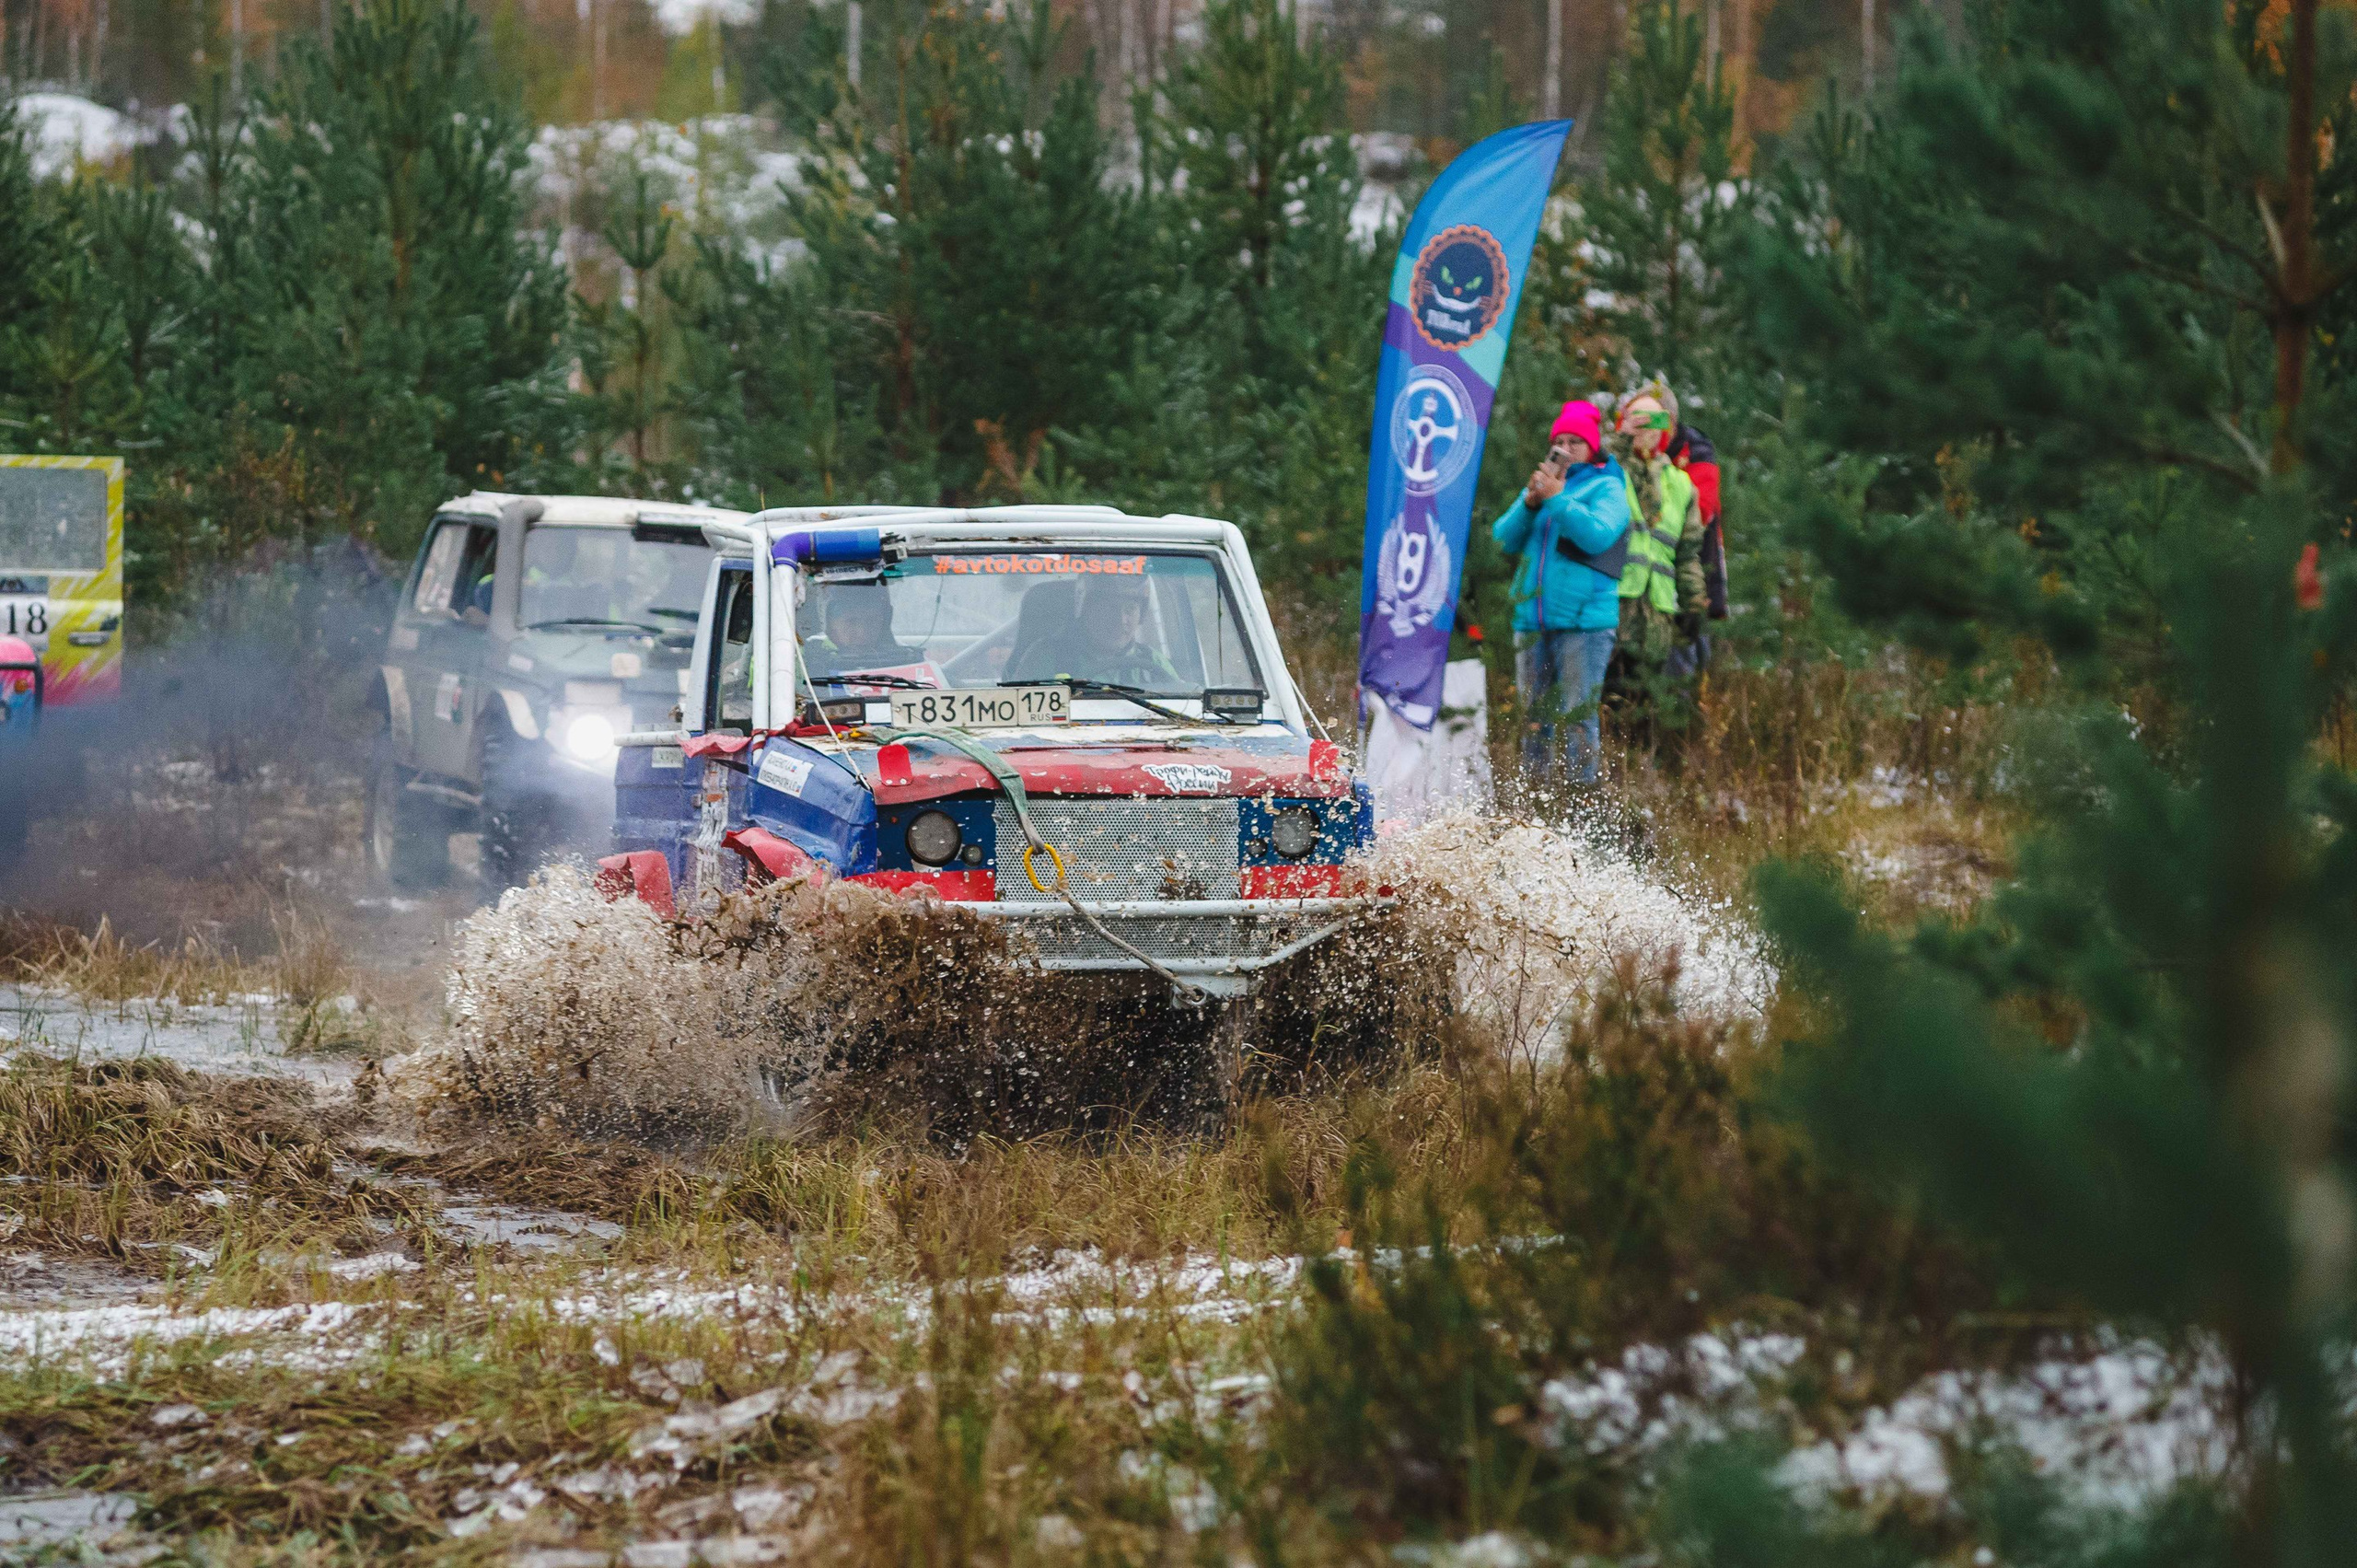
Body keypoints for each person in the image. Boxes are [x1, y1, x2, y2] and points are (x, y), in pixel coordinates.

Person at [1491, 399, 1631, 786]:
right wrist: (1529, 503)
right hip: (1533, 620)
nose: (1566, 450)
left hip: (1583, 624)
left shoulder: (1609, 486)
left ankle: (1580, 800)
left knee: (1577, 716)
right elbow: (1501, 541)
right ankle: (1534, 797)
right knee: (1533, 717)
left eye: (1576, 443)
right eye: (1560, 442)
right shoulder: (1544, 488)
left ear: (1592, 448)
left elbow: (1598, 535)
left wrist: (1556, 498)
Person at [1607, 382, 1706, 692]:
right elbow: (1592, 465)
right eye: (1635, 420)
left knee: (1650, 714)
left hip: (1658, 618)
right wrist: (1621, 440)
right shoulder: (1609, 471)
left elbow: (1688, 554)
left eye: (1653, 421)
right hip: (1613, 613)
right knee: (1611, 703)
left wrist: (1693, 604)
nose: (1643, 429)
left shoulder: (1680, 484)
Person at [1028, 576, 1178, 690]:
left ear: (1141, 615)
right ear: (1085, 611)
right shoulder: (1048, 657)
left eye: (1130, 609)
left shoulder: (1153, 661)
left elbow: (1185, 706)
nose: (1120, 621)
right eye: (1109, 609)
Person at [804, 583, 925, 676]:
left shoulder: (906, 659)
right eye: (851, 622)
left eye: (871, 622)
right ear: (829, 624)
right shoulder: (803, 661)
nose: (862, 633)